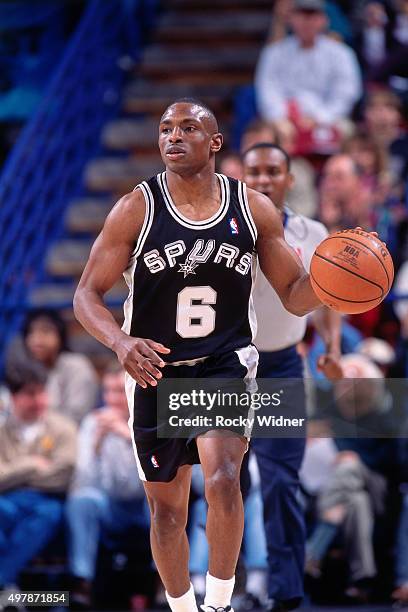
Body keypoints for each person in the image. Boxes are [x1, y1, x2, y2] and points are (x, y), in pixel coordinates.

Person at [73, 97, 335, 612]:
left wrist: (334, 283)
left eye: (188, 128)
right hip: (155, 369)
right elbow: (86, 294)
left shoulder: (252, 208)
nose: (173, 136)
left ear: (215, 143)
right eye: (166, 129)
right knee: (167, 512)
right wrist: (121, 342)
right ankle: (182, 605)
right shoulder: (136, 208)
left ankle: (218, 603)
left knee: (223, 478)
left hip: (224, 363)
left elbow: (294, 294)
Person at [242, 142, 341, 611]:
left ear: (289, 178)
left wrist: (333, 349)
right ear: (241, 176)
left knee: (281, 483)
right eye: (254, 171)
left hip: (281, 365)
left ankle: (286, 594)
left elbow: (328, 294)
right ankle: (232, 587)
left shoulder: (313, 231)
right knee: (224, 483)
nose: (263, 179)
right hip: (226, 366)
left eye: (272, 171)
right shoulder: (221, 229)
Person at [66, 360, 150, 608]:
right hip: (110, 506)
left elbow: (158, 475)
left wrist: (128, 436)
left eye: (119, 391)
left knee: (165, 502)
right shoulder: (94, 423)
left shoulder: (149, 419)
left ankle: (160, 582)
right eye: (108, 391)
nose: (112, 399)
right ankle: (82, 582)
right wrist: (96, 445)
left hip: (145, 505)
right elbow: (83, 480)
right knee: (82, 501)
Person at [0, 358, 77, 590]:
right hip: (8, 500)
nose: (39, 400)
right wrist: (31, 464)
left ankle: (3, 580)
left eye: (42, 392)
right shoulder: (2, 430)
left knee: (48, 515)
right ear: (13, 397)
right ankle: (7, 585)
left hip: (48, 500)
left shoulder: (63, 427)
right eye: (31, 394)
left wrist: (12, 472)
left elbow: (63, 474)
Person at [255, 0, 362, 137]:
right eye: (301, 15)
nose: (307, 22)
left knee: (347, 130)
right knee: (265, 132)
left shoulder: (341, 53)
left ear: (324, 20)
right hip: (284, 120)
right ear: (291, 18)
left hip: (329, 118)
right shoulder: (274, 52)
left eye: (313, 16)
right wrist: (281, 116)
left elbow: (346, 93)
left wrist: (321, 118)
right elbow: (267, 90)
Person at [7, 308, 99, 423]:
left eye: (45, 331)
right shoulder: (27, 368)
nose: (36, 340)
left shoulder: (77, 366)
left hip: (70, 436)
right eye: (31, 332)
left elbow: (76, 416)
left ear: (60, 335)